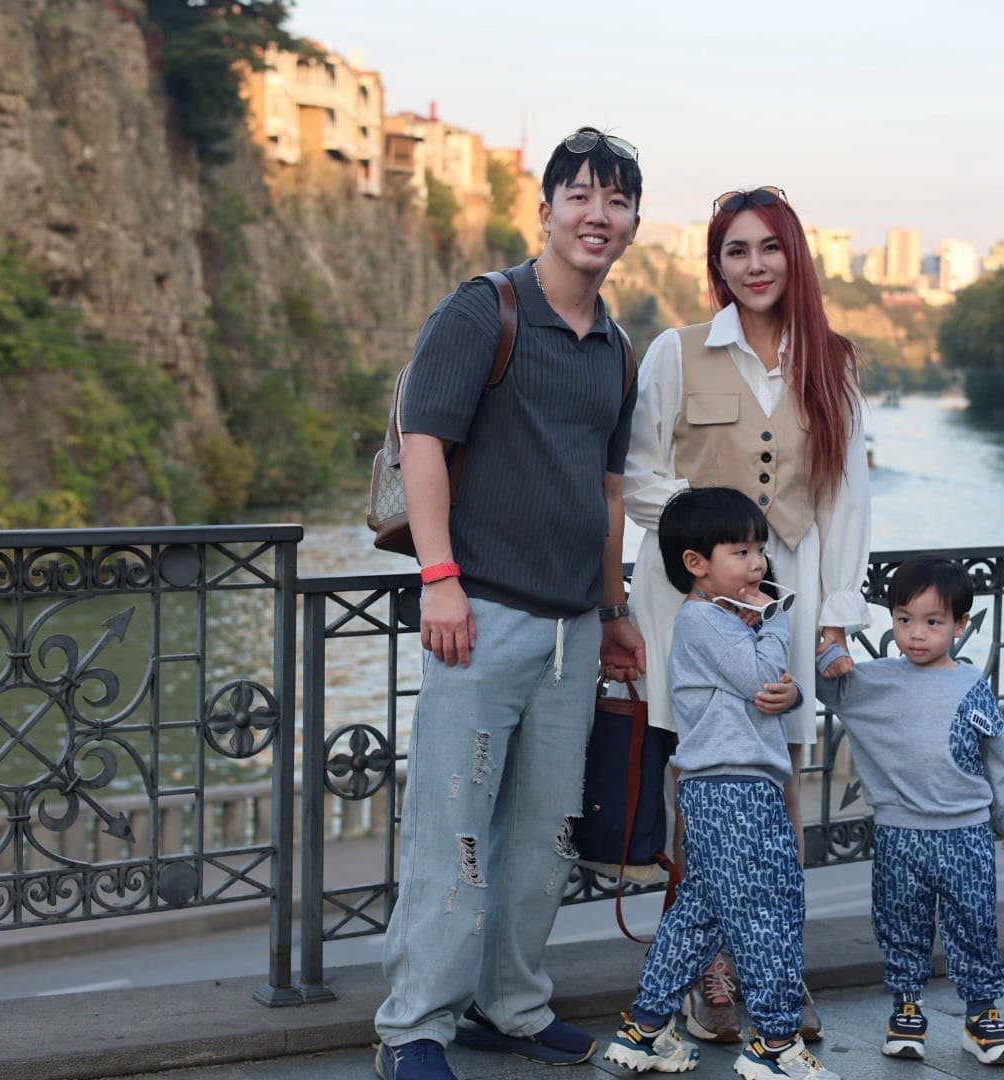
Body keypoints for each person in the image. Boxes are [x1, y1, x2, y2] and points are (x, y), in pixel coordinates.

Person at [373, 127, 647, 1080]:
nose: (598, 215)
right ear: (546, 211)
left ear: (633, 223)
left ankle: (510, 1006)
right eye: (581, 196)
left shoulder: (616, 348)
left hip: (574, 630)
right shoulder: (482, 310)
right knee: (453, 830)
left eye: (616, 201)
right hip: (480, 617)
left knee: (541, 838)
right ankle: (414, 1027)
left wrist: (612, 608)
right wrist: (439, 579)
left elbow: (608, 490)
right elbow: (423, 443)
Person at [622, 185, 870, 1043]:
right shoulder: (676, 351)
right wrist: (708, 534)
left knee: (779, 782)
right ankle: (709, 974)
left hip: (783, 600)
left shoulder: (831, 361)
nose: (754, 264)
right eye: (736, 250)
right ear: (717, 264)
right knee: (700, 784)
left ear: (794, 257)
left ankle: (777, 972)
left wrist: (834, 618)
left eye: (769, 247)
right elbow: (637, 474)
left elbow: (845, 498)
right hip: (687, 603)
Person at [602, 487, 838, 1080]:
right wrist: (777, 619)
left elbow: (767, 692)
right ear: (696, 564)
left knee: (699, 915)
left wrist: (792, 693)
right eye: (741, 551)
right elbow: (760, 677)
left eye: (759, 549)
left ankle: (645, 1030)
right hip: (737, 790)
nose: (758, 564)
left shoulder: (724, 619)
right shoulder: (706, 619)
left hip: (720, 788)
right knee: (768, 910)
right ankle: (775, 1044)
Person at [814, 556, 1004, 1067]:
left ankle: (981, 1016)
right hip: (900, 834)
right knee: (900, 922)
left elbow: (997, 756)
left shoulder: (972, 684)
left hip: (967, 832)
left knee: (974, 924)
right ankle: (906, 1009)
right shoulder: (875, 681)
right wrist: (832, 651)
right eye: (904, 619)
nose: (916, 634)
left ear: (960, 625)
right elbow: (826, 686)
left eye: (933, 622)